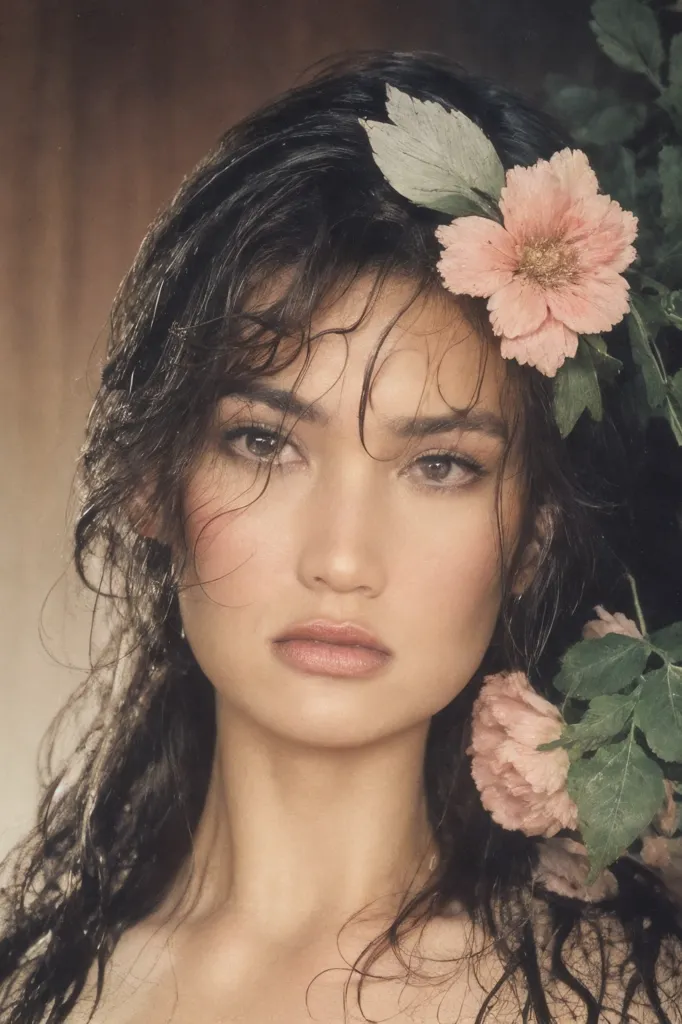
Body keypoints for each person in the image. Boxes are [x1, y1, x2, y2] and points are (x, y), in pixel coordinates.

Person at [1, 48, 681, 1024]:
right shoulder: (33, 995)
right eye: (264, 441)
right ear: (153, 478)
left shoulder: (629, 1002)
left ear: (533, 537)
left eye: (439, 463)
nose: (341, 559)